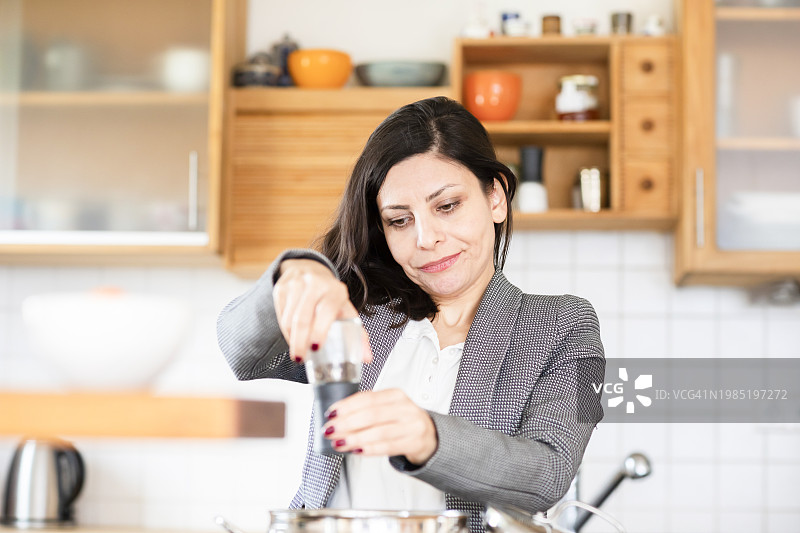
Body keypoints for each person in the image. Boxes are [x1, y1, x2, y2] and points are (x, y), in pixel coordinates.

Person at [217, 96, 604, 532]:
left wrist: (427, 436)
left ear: (495, 197)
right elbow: (242, 353)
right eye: (400, 220)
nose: (426, 238)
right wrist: (292, 272)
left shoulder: (567, 325)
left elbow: (549, 474)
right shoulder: (358, 313)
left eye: (447, 206)